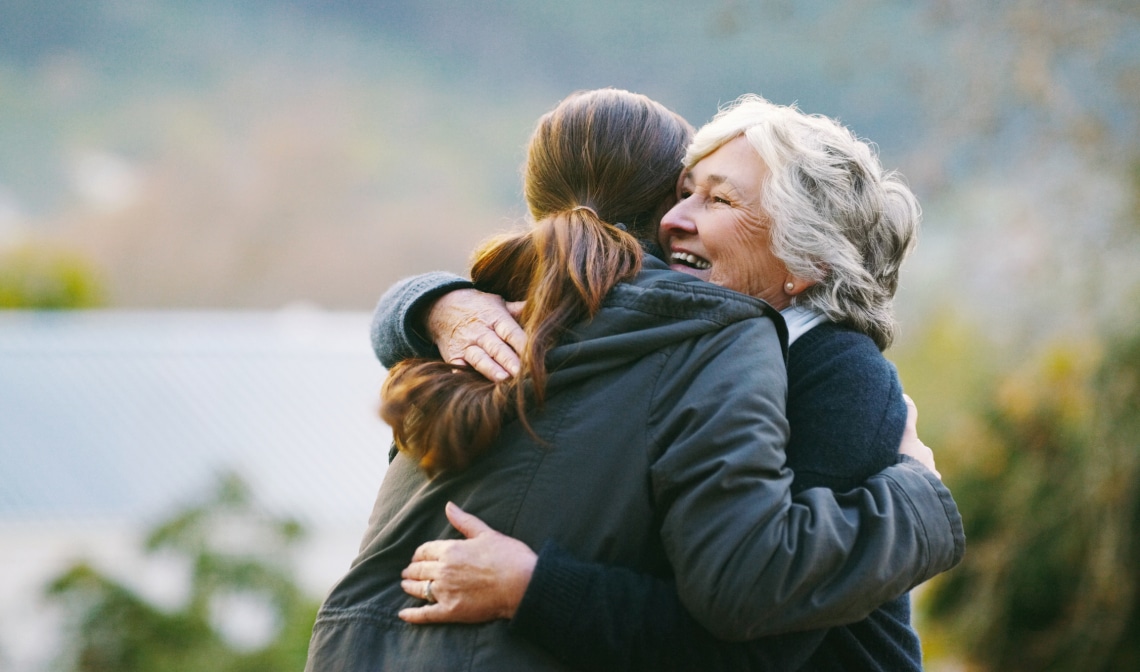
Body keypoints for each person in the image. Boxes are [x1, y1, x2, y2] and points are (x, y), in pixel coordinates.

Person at [306, 89, 963, 671]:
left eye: (718, 199)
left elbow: (757, 643)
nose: (674, 221)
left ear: (806, 261)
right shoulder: (658, 332)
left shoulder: (838, 376)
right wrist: (432, 305)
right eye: (682, 193)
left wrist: (534, 588)